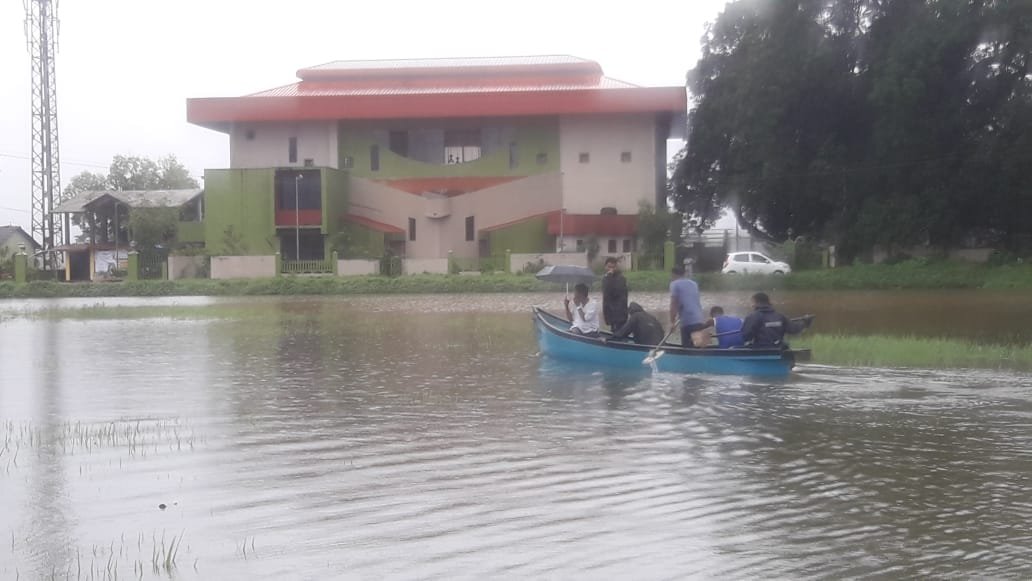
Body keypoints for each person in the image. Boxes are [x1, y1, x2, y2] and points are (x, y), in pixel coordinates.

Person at [740, 292, 810, 348]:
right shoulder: (780, 316)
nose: (751, 305)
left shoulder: (752, 317)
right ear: (768, 302)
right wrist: (805, 323)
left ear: (755, 302)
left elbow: (746, 335)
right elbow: (794, 329)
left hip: (760, 350)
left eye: (752, 303)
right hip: (778, 349)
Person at [669, 265, 707, 347]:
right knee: (699, 348)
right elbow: (690, 300)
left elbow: (673, 304)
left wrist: (672, 322)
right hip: (699, 320)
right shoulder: (694, 284)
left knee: (688, 348)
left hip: (687, 322)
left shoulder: (674, 284)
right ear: (684, 274)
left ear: (673, 274)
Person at [601, 256, 629, 332]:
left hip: (619, 315)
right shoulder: (606, 278)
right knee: (613, 332)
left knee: (618, 334)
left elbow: (614, 293)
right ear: (605, 267)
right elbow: (605, 296)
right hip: (610, 313)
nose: (611, 269)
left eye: (613, 267)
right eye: (609, 267)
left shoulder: (620, 278)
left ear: (616, 267)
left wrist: (609, 277)